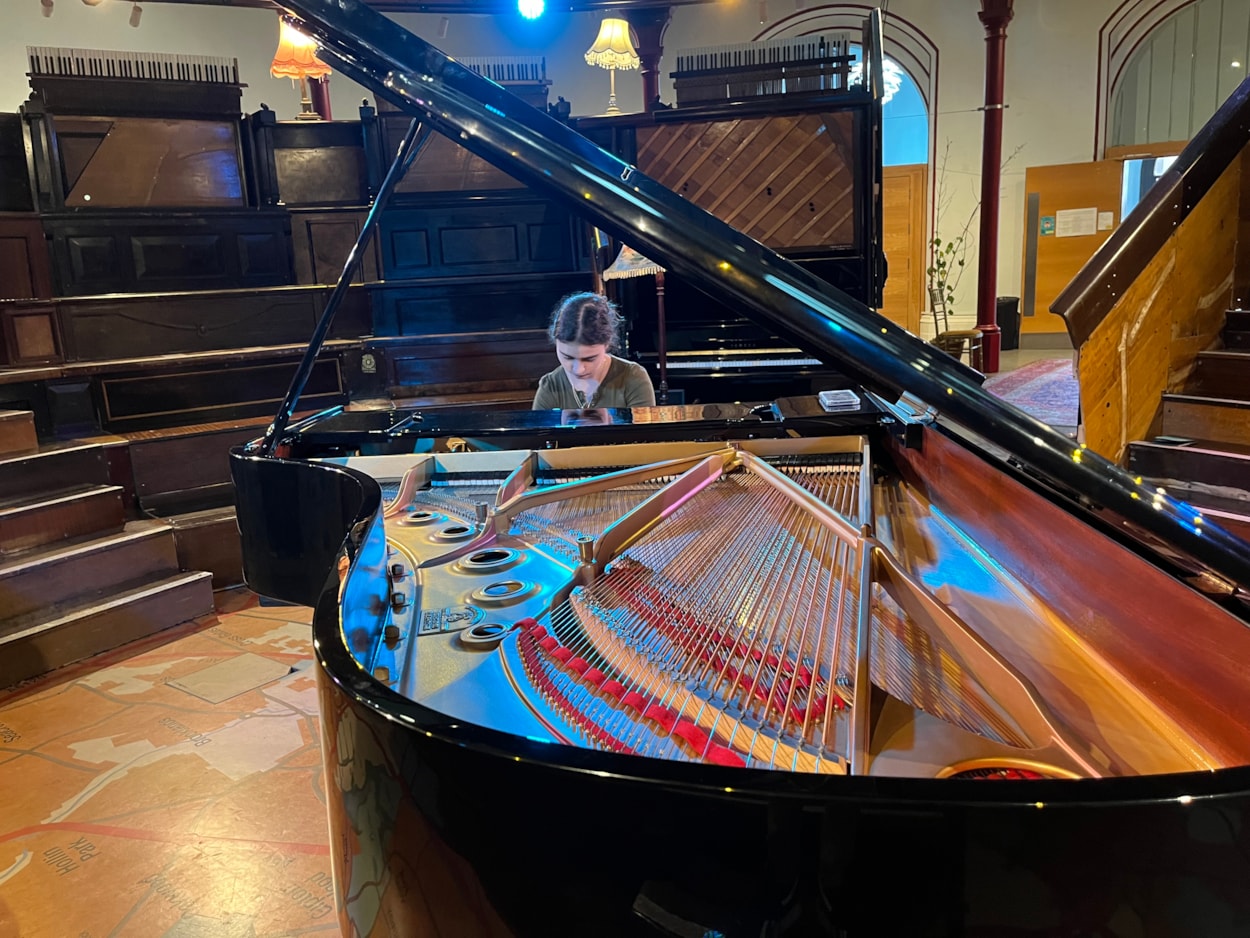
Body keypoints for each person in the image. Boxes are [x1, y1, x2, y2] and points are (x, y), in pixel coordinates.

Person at [533, 292, 656, 410]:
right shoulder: (550, 386)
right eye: (568, 357)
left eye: (589, 359)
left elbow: (644, 432)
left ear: (607, 344)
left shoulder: (633, 378)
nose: (579, 370)